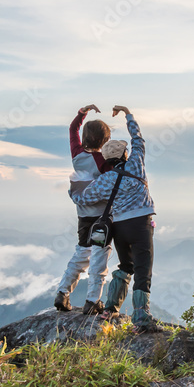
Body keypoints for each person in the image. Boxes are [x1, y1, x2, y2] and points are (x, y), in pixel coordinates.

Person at [70, 105, 161, 333]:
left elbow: (83, 198)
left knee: (125, 266)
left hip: (119, 227)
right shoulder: (136, 164)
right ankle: (141, 317)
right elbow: (138, 139)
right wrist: (128, 114)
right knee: (143, 270)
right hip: (141, 224)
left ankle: (110, 309)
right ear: (124, 154)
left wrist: (72, 191)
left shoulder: (105, 179)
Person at [54, 104, 114, 315]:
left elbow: (72, 130)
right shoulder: (104, 162)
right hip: (102, 219)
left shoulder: (77, 156)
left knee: (82, 253)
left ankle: (63, 292)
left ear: (85, 137)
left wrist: (82, 113)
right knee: (100, 255)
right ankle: (92, 300)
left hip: (83, 217)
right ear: (105, 140)